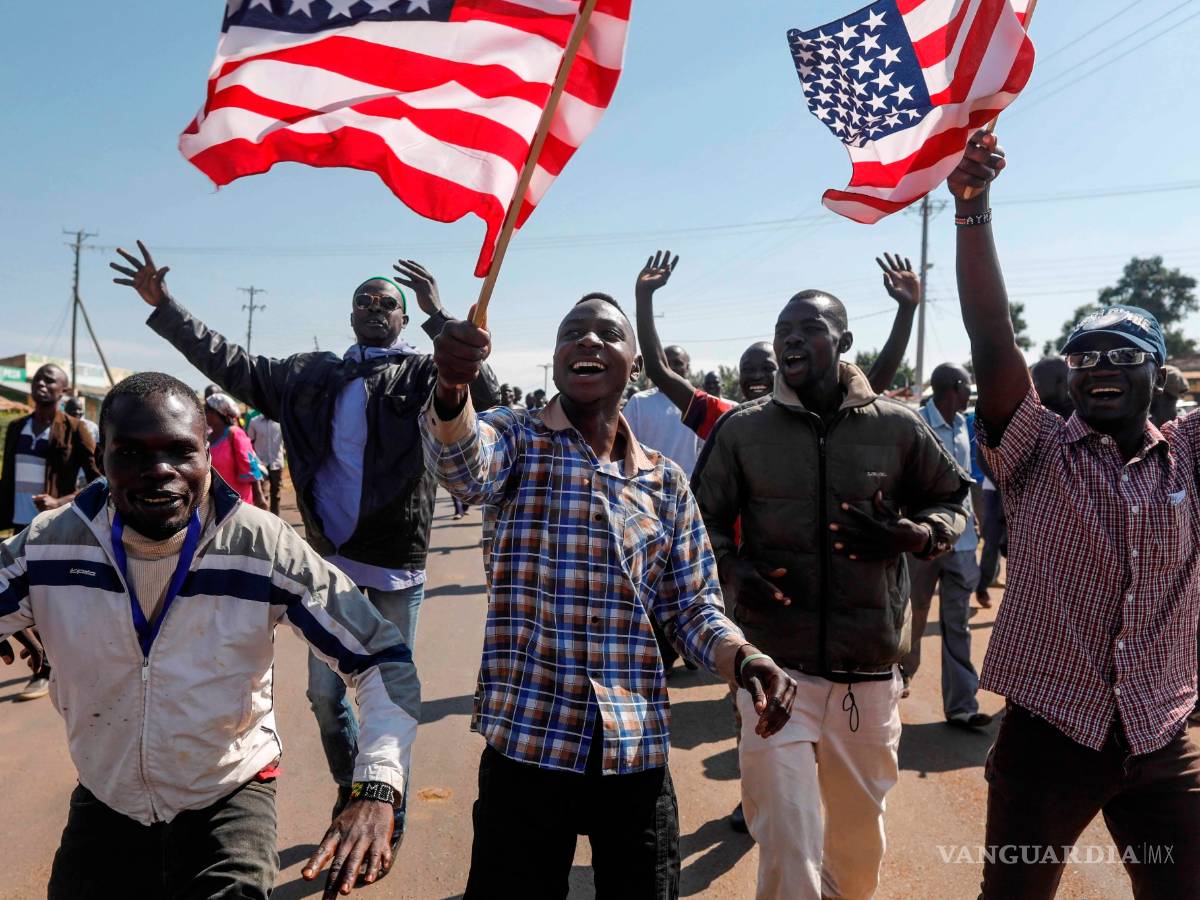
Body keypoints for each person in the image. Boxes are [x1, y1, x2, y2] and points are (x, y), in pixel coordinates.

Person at [111, 241, 497, 843]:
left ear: (401, 317)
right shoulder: (308, 375)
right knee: (324, 695)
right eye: (364, 301)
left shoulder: (425, 372)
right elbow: (228, 362)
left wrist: (438, 312)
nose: (375, 307)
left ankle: (385, 814)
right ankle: (354, 790)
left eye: (387, 303)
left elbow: (485, 390)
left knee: (389, 698)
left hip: (396, 563)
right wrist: (164, 306)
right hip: (327, 567)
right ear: (350, 316)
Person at [422, 289, 798, 897]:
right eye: (574, 331)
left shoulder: (664, 481)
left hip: (634, 749)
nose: (589, 341)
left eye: (608, 334)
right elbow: (462, 464)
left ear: (634, 366)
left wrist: (743, 658)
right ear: (555, 358)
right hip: (528, 740)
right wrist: (451, 386)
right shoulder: (517, 438)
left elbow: (691, 605)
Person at [0, 372, 420, 899]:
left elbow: (382, 659)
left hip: (228, 795)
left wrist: (378, 787)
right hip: (109, 798)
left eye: (179, 452)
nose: (158, 472)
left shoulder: (262, 547)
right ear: (101, 458)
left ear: (208, 452)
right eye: (130, 454)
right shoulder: (48, 546)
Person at [949, 130, 1200, 897]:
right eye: (1085, 356)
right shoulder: (1037, 451)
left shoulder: (1190, 454)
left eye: (1124, 355)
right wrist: (973, 210)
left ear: (1159, 374)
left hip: (1162, 738)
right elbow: (992, 337)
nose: (1101, 369)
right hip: (1049, 737)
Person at [694, 283, 970, 900]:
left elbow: (953, 498)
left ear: (842, 341)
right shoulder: (743, 431)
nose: (791, 338)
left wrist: (918, 534)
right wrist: (734, 572)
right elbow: (698, 521)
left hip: (867, 673)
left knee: (855, 848)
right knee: (788, 842)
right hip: (774, 671)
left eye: (809, 327)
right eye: (783, 328)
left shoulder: (897, 427)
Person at [635, 251, 922, 445]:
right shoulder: (732, 421)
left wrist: (906, 311)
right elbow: (660, 372)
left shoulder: (832, 415)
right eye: (747, 369)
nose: (757, 375)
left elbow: (876, 379)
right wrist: (644, 298)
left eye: (766, 368)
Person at [0, 364, 101, 701]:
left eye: (50, 380)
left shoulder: (75, 430)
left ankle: (46, 669)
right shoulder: (17, 427)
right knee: (17, 596)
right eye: (38, 379)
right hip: (18, 527)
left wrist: (60, 500)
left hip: (52, 532)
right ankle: (46, 663)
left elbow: (100, 481)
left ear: (64, 390)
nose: (41, 384)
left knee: (45, 602)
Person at [901, 364, 990, 728]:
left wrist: (978, 520)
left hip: (963, 542)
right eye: (967, 385)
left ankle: (961, 706)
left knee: (958, 624)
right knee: (913, 616)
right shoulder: (914, 424)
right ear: (953, 388)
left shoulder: (963, 426)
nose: (970, 391)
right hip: (923, 541)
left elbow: (970, 483)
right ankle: (899, 680)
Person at [204, 393, 268, 510]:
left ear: (218, 412)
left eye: (207, 410)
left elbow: (250, 464)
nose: (204, 414)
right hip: (216, 502)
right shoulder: (207, 438)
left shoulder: (234, 434)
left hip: (239, 501)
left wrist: (259, 496)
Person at [246, 412, 285, 516]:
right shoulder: (254, 422)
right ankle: (264, 519)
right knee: (262, 493)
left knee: (276, 493)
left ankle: (276, 518)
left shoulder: (280, 422)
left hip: (276, 462)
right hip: (260, 463)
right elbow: (249, 442)